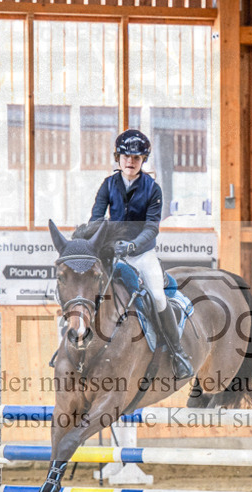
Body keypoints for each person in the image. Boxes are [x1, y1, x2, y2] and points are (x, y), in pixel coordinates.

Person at [89, 129, 192, 379]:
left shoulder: (152, 188)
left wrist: (133, 246)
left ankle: (177, 353)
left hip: (141, 254)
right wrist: (100, 241)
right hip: (113, 253)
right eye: (125, 156)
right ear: (118, 158)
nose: (130, 162)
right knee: (89, 290)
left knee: (157, 297)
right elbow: (96, 218)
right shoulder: (108, 184)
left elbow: (152, 226)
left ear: (143, 160)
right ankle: (78, 346)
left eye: (136, 158)